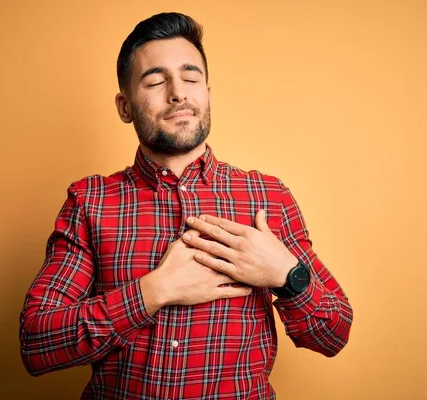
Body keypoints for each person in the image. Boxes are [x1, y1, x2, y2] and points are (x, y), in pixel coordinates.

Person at [19, 12, 353, 400]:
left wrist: (286, 275)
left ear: (207, 93)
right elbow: (37, 343)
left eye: (191, 78)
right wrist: (153, 291)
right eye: (156, 80)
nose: (178, 92)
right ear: (124, 107)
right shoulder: (90, 202)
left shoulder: (268, 197)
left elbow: (334, 335)